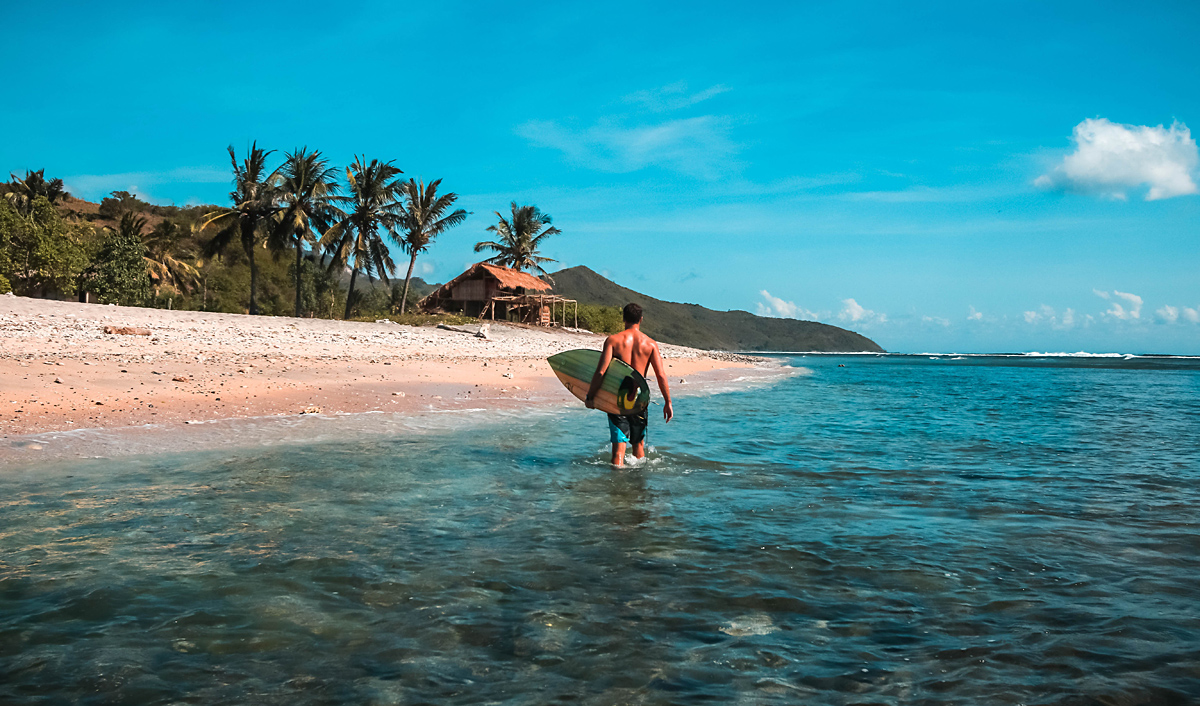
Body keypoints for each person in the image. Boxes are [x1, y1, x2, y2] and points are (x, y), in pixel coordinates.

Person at [584, 303, 674, 467]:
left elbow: (601, 372)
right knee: (639, 447)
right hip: (639, 398)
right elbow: (660, 375)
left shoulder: (613, 340)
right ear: (641, 319)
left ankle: (617, 486)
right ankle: (638, 486)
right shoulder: (651, 344)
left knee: (618, 450)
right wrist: (668, 402)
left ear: (624, 318)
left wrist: (591, 396)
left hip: (618, 397)